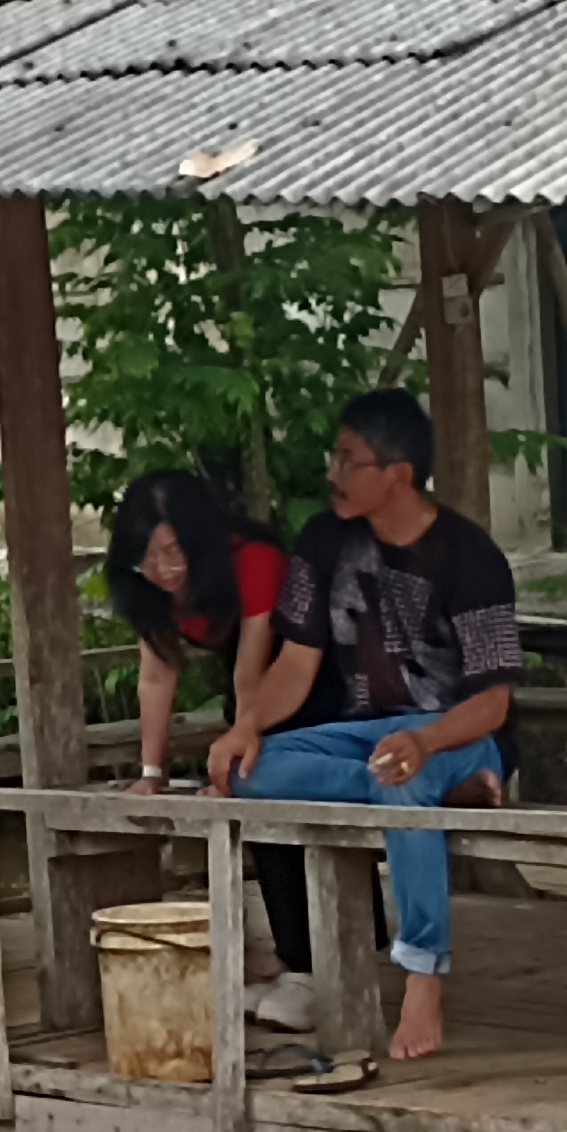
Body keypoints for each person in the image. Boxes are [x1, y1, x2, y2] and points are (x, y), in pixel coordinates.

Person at [207, 390, 522, 1063]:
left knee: (403, 782)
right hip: (366, 736)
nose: (333, 474)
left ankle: (423, 974)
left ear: (398, 473)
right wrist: (247, 725)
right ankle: (415, 789)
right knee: (242, 771)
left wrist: (427, 744)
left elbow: (494, 702)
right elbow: (296, 663)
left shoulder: (471, 556)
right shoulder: (325, 541)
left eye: (348, 460)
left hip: (458, 733)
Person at [107, 469, 321, 1031]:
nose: (164, 570)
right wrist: (151, 771)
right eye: (147, 558)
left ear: (202, 539)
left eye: (174, 552)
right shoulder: (151, 589)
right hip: (250, 693)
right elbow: (156, 676)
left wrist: (240, 744)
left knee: (273, 793)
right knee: (252, 805)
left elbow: (254, 673)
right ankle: (295, 962)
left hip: (314, 684)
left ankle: (315, 969)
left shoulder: (253, 560)